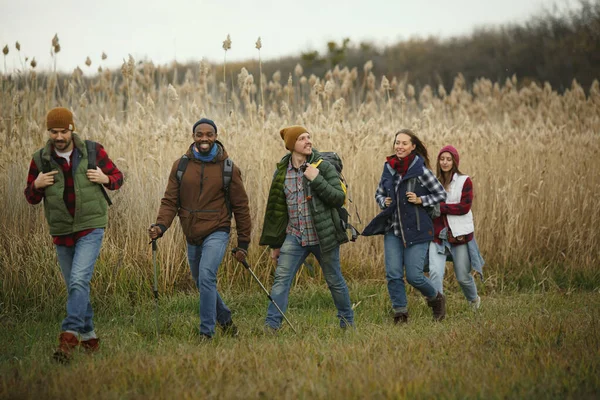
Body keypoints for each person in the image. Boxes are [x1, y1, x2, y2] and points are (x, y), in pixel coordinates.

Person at [24, 107, 124, 362]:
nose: (59, 136)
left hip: (91, 227)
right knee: (75, 287)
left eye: (63, 131)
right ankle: (90, 339)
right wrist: (35, 185)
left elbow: (117, 178)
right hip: (61, 231)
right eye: (54, 131)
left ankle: (67, 339)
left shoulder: (92, 151)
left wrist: (104, 178)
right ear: (48, 132)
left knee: (79, 280)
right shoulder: (40, 159)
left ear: (72, 129)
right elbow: (30, 197)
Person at [149, 118, 251, 340]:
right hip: (191, 233)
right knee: (200, 281)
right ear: (193, 136)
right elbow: (169, 201)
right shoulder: (181, 166)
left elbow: (241, 207)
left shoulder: (229, 168)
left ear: (216, 136)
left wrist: (243, 242)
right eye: (199, 134)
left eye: (209, 134)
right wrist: (160, 226)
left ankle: (207, 333)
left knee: (206, 276)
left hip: (218, 229)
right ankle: (225, 319)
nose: (204, 139)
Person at [259, 125, 354, 332]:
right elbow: (277, 211)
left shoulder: (323, 167)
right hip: (295, 237)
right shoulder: (282, 172)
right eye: (302, 138)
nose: (308, 141)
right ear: (292, 145)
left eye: (309, 137)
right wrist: (276, 245)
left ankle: (347, 324)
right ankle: (271, 327)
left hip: (323, 236)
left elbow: (338, 198)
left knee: (334, 281)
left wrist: (316, 178)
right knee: (281, 282)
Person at [363, 128, 447, 322]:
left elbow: (440, 194)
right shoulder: (389, 168)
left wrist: (420, 200)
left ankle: (436, 299)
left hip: (417, 229)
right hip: (393, 229)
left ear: (413, 147)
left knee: (414, 276)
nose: (399, 147)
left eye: (404, 143)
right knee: (393, 273)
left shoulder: (421, 171)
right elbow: (379, 193)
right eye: (397, 143)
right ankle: (400, 313)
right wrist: (383, 201)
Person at [428, 145, 484, 310]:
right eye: (442, 159)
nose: (445, 162)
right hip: (438, 235)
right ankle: (439, 308)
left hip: (459, 235)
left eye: (448, 159)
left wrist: (441, 208)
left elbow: (464, 207)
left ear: (455, 161)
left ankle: (474, 301)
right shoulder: (433, 181)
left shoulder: (464, 180)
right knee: (435, 274)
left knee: (462, 276)